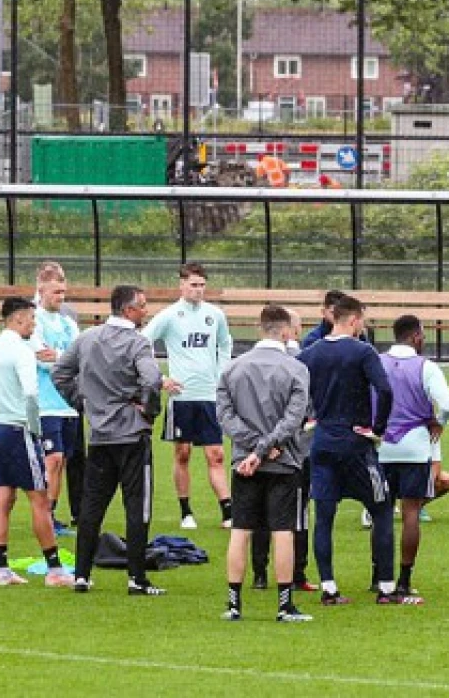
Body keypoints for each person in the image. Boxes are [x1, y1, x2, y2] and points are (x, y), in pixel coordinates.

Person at [54, 285, 168, 597]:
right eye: (143, 306)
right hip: (131, 436)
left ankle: (82, 575)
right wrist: (148, 412)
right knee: (137, 506)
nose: (146, 311)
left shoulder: (87, 338)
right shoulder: (138, 343)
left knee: (92, 507)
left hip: (101, 435)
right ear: (129, 310)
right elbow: (152, 380)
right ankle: (136, 579)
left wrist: (84, 403)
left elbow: (60, 374)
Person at [298, 295, 410, 606]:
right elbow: (385, 390)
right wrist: (378, 428)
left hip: (322, 444)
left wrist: (307, 416)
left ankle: (329, 588)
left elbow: (293, 385)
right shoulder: (363, 351)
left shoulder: (311, 353)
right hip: (356, 445)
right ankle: (387, 589)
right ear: (353, 320)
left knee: (324, 517)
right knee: (382, 508)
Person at [0, 297, 68, 587]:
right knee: (40, 499)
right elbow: (32, 394)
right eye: (32, 319)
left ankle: (2, 569)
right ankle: (55, 570)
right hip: (17, 431)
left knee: (3, 499)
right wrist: (34, 428)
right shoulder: (21, 351)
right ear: (19, 319)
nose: (34, 325)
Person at [217, 305, 314, 623]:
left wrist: (252, 449)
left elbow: (225, 416)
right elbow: (294, 418)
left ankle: (234, 605)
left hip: (244, 461)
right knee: (283, 531)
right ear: (286, 332)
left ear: (261, 328)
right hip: (283, 461)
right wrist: (266, 447)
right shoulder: (296, 369)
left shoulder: (232, 369)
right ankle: (284, 605)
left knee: (240, 530)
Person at [143, 262, 234, 529]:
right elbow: (142, 341)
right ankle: (186, 512)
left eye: (202, 285)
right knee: (182, 453)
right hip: (181, 397)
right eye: (193, 285)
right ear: (181, 285)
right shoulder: (170, 315)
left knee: (215, 454)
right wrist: (159, 378)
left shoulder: (215, 315)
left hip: (209, 395)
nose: (198, 290)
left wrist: (222, 373)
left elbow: (225, 344)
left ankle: (228, 512)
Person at [377, 315, 449, 600]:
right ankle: (403, 580)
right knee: (411, 512)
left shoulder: (377, 362)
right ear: (415, 337)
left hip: (381, 445)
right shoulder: (427, 367)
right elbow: (447, 404)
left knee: (381, 512)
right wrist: (439, 420)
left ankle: (380, 578)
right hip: (414, 445)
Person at [31, 262, 81, 536]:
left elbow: (80, 358)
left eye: (63, 292)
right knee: (52, 458)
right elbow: (41, 357)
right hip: (46, 403)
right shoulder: (34, 321)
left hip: (69, 404)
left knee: (61, 462)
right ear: (41, 290)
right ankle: (44, 514)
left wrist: (59, 358)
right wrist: (65, 361)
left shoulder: (68, 323)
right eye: (55, 292)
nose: (60, 298)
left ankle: (52, 512)